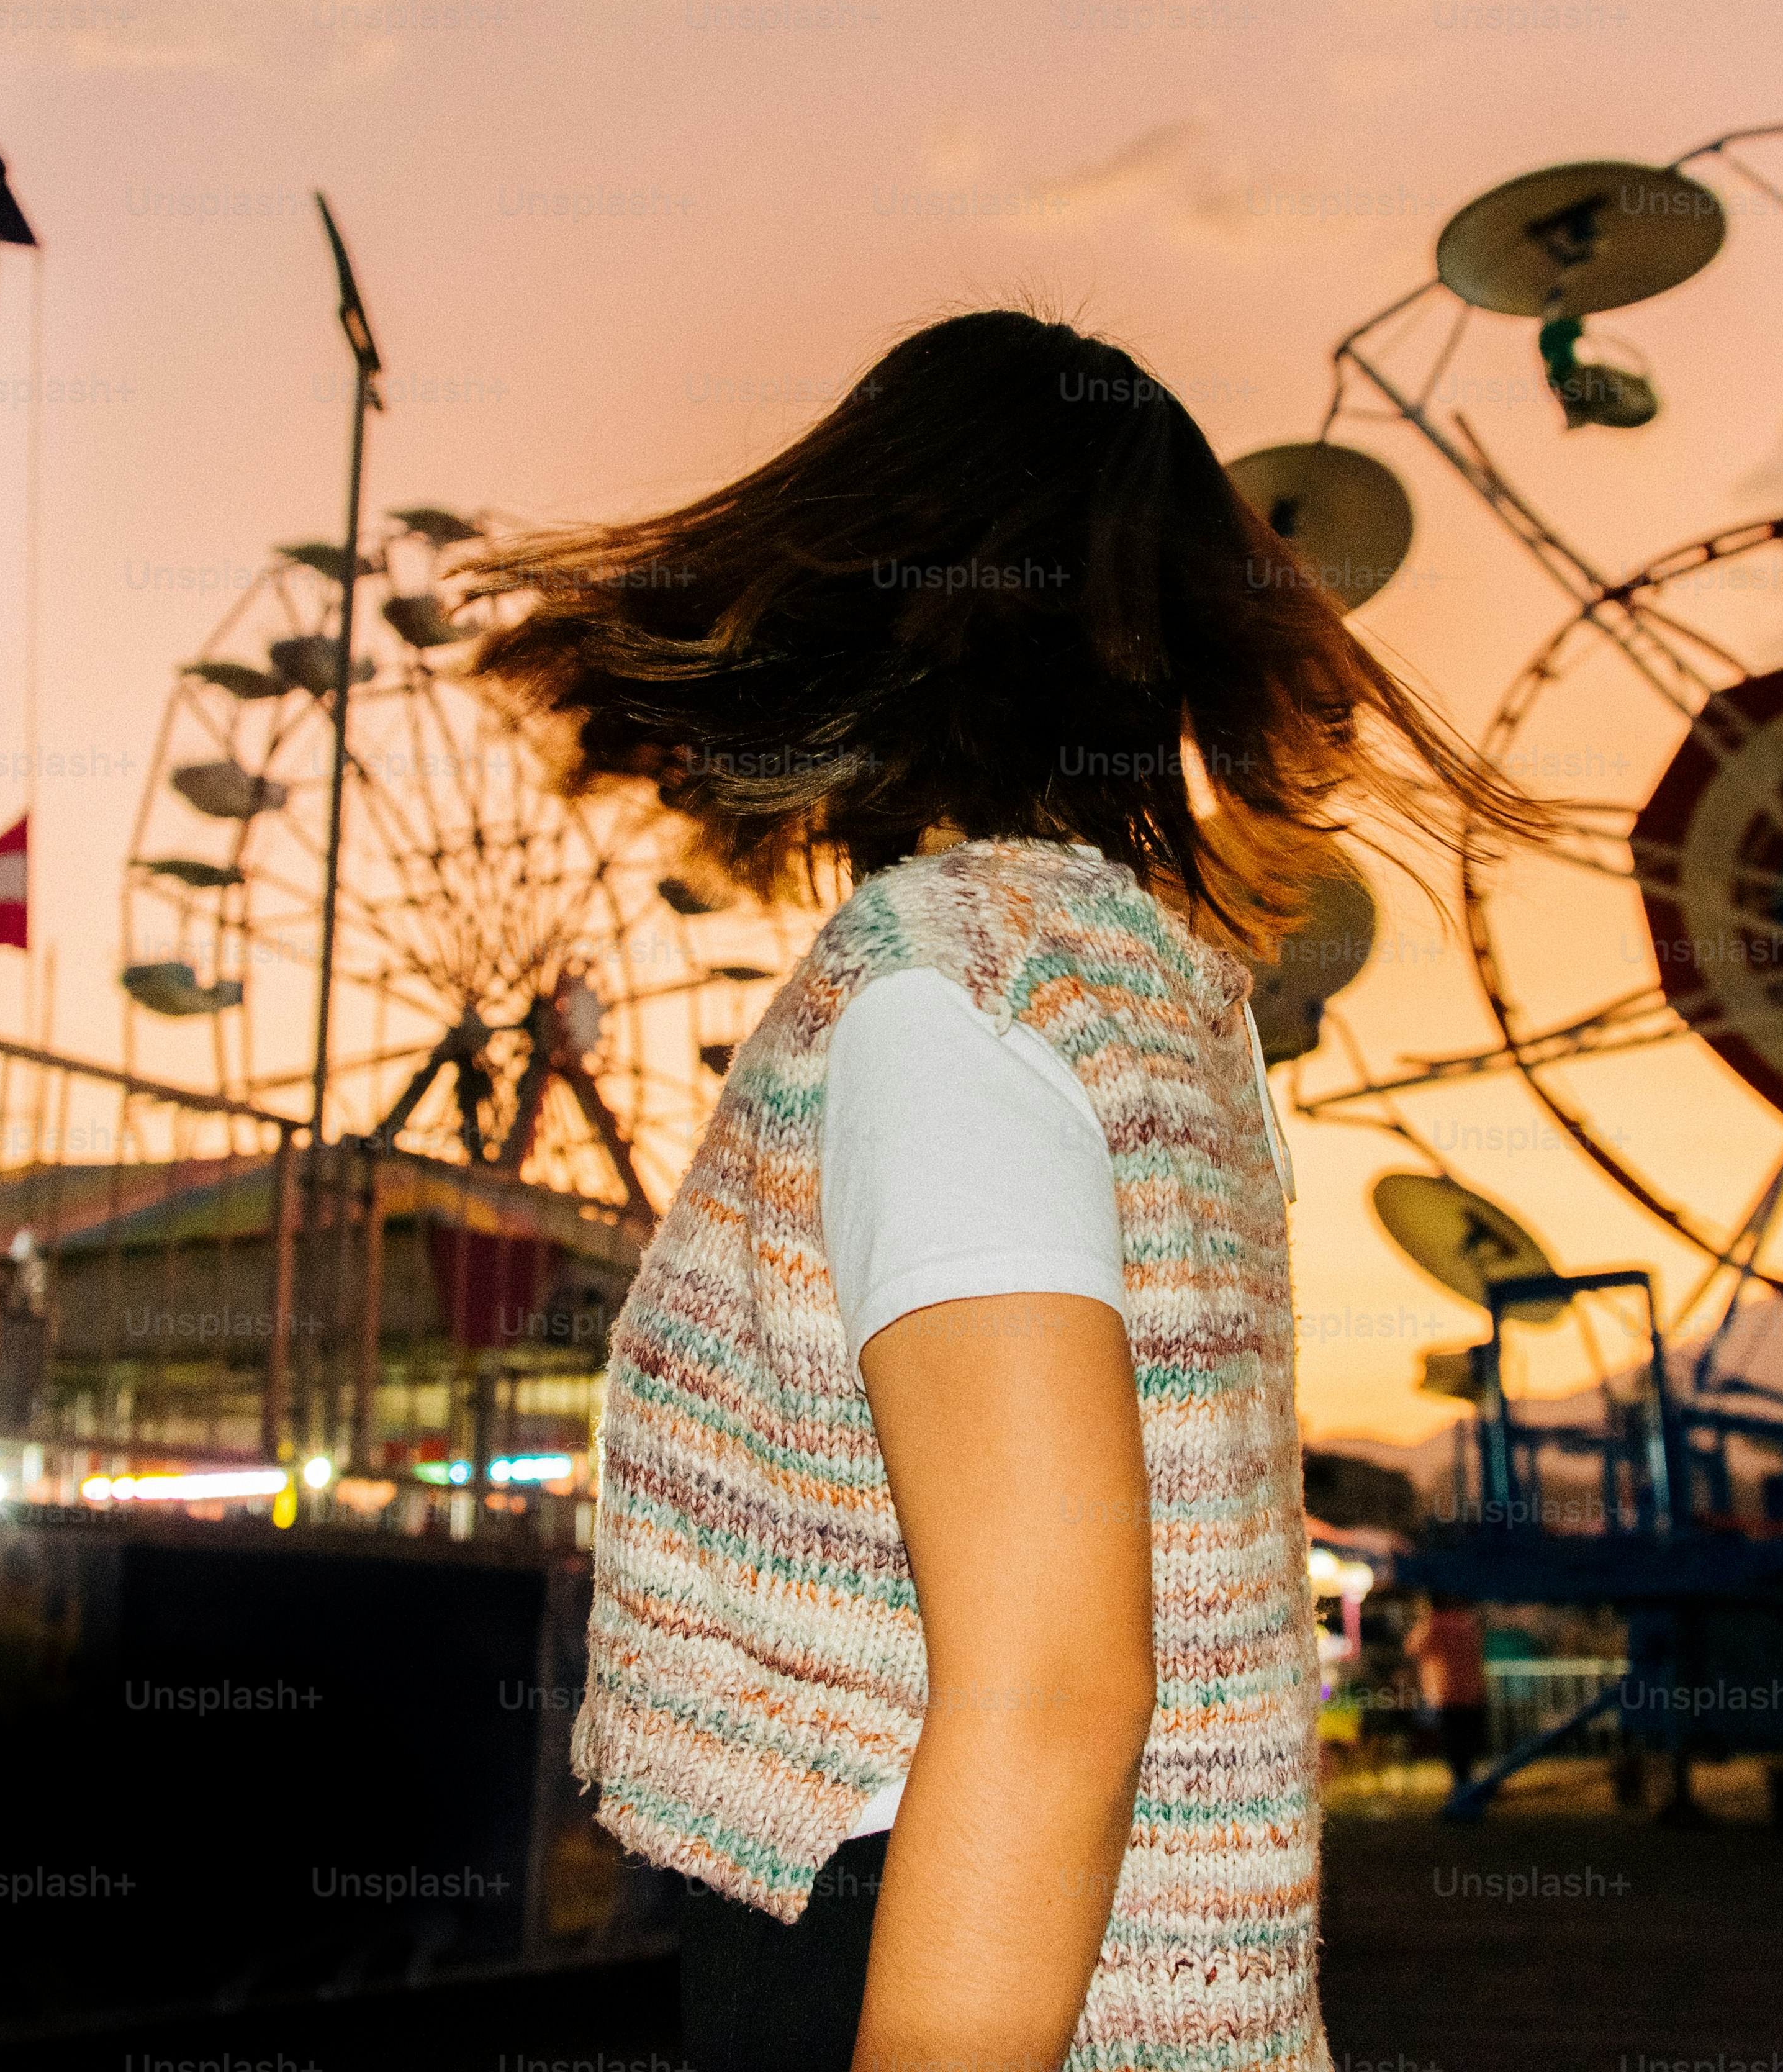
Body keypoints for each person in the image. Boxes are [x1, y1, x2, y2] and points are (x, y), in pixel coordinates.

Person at [466, 310, 1560, 2072]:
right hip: (1101, 1960)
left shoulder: (951, 994)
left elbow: (1054, 1694)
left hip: (932, 1940)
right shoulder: (1153, 1006)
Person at [1404, 1591, 1491, 1790]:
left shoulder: (1433, 1624)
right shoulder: (1467, 1622)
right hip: (1473, 1690)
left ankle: (1461, 1785)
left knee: (1454, 1742)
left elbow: (1412, 1647)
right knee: (1469, 1741)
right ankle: (1467, 1781)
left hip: (1447, 1693)